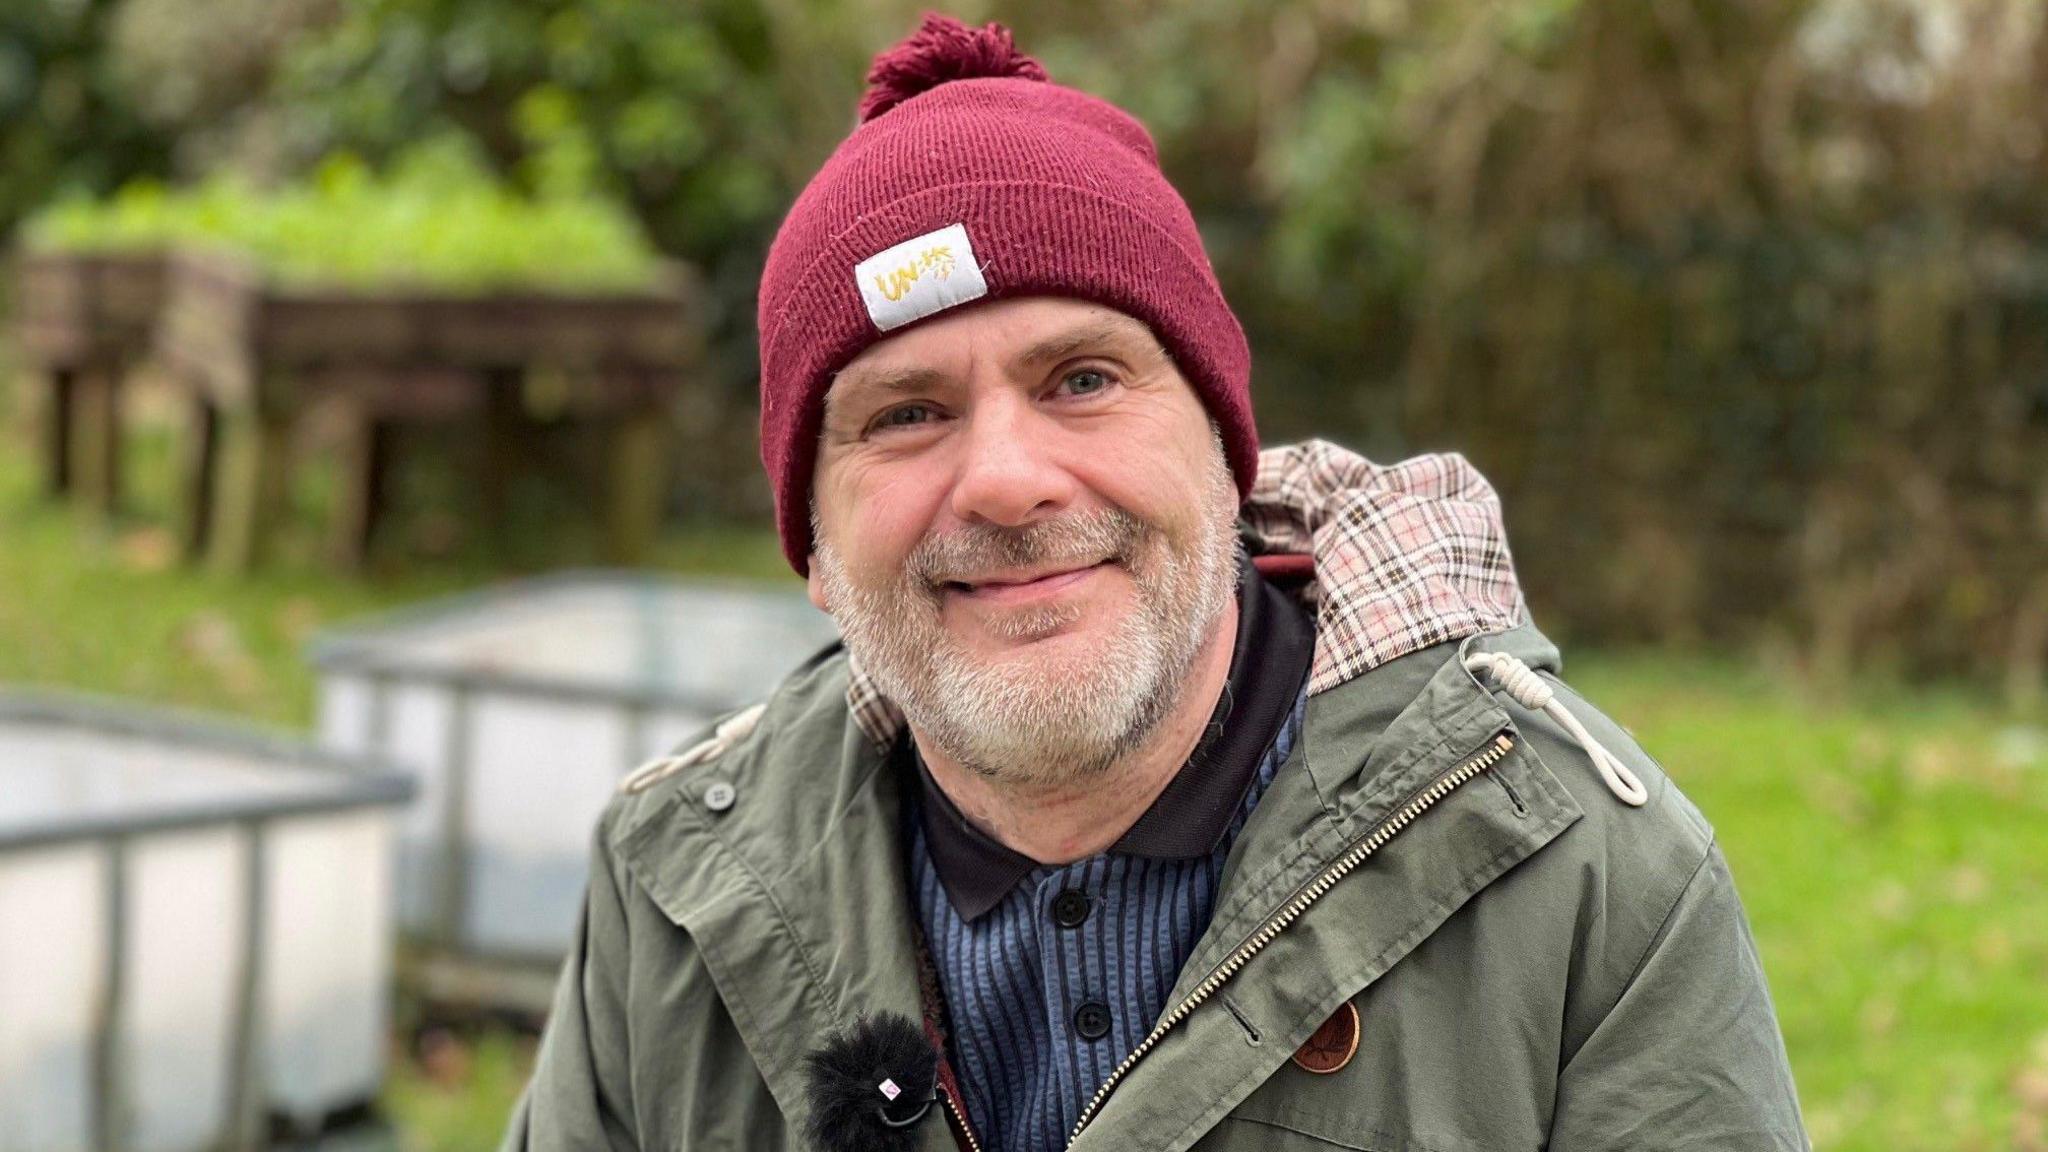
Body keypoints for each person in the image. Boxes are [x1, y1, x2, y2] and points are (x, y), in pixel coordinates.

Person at [503, 14, 1807, 1152]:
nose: (1007, 483)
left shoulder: (1582, 874)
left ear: (1228, 452)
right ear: (815, 550)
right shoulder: (676, 888)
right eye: (904, 413)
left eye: (1082, 379)